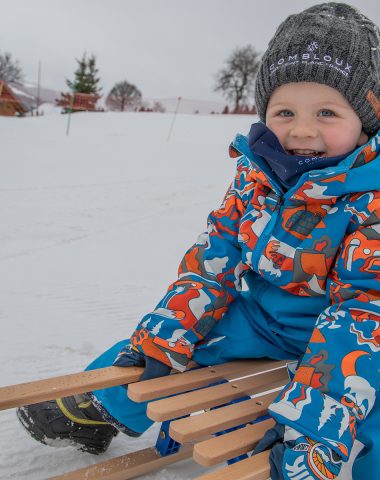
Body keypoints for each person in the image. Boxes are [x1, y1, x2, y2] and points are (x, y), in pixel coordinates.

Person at [17, 3, 380, 478]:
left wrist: (318, 424)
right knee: (171, 342)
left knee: (365, 411)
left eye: (327, 112)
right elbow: (216, 257)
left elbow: (362, 312)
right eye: (285, 111)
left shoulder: (369, 199)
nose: (302, 130)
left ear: (367, 119)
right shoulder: (258, 177)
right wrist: (171, 332)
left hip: (355, 329)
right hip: (264, 317)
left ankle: (330, 461)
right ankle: (100, 406)